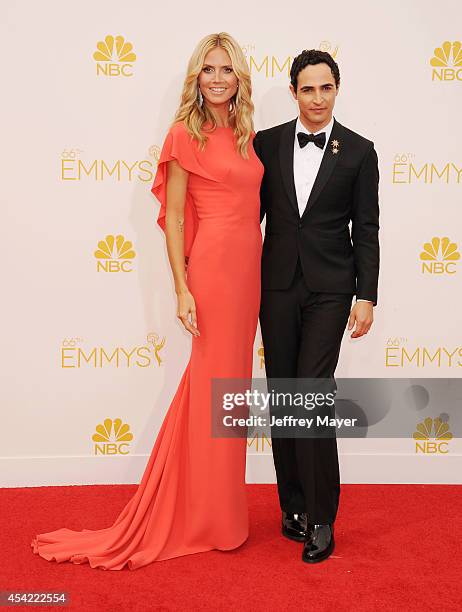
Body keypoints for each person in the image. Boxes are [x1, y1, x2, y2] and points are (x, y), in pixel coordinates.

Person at [31, 32, 263, 570]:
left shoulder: (249, 134)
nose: (218, 79)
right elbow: (176, 217)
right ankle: (204, 517)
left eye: (227, 70)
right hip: (212, 273)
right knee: (215, 386)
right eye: (208, 70)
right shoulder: (184, 134)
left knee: (230, 392)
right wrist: (182, 287)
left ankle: (220, 511)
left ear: (239, 78)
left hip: (250, 271)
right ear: (195, 78)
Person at [253, 49, 380, 563]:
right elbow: (247, 217)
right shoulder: (266, 143)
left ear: (337, 89)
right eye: (308, 89)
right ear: (293, 92)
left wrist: (367, 294)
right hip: (277, 285)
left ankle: (323, 518)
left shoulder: (359, 151)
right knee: (283, 393)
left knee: (310, 392)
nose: (317, 98)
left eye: (326, 88)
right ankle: (293, 506)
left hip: (332, 287)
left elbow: (366, 228)